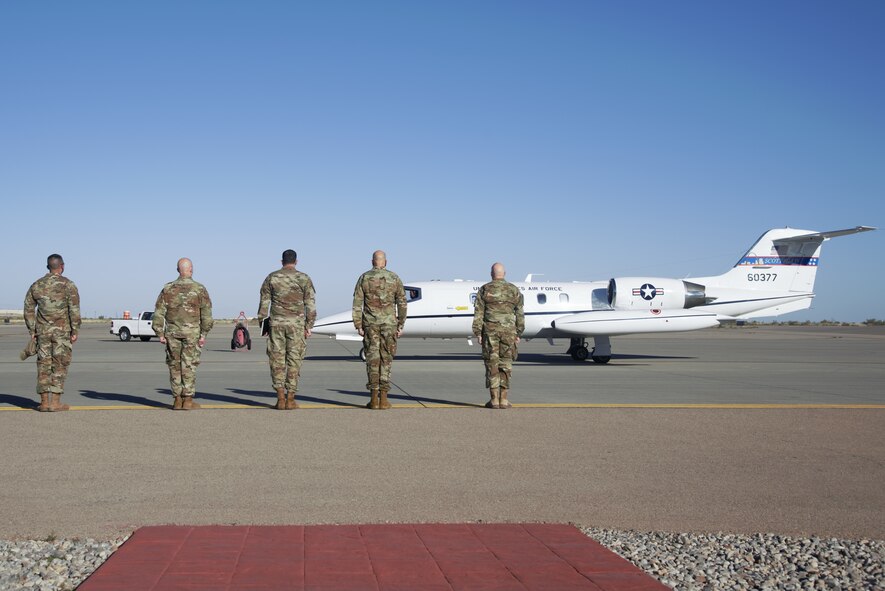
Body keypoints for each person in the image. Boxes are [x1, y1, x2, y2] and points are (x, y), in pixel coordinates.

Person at [257, 249, 316, 410]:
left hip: (276, 324)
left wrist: (264, 326)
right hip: (296, 325)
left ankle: (280, 398)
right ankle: (291, 398)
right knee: (294, 360)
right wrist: (309, 326)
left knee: (277, 360)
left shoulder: (272, 277)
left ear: (281, 261)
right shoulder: (304, 278)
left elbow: (264, 304)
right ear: (296, 261)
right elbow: (310, 305)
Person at [152, 258, 214, 410]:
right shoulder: (199, 289)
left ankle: (177, 399)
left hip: (172, 333)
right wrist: (204, 334)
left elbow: (159, 312)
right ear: (191, 269)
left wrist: (159, 332)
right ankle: (188, 400)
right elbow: (207, 314)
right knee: (189, 365)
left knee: (174, 365)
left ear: (177, 270)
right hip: (192, 333)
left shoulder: (168, 289)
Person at [23, 254, 81, 412]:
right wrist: (75, 330)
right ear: (62, 266)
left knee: (43, 364)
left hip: (42, 333)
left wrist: (32, 330)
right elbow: (74, 310)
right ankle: (55, 402)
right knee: (60, 364)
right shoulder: (68, 285)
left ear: (48, 266)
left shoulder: (37, 285)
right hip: (62, 333)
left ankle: (44, 403)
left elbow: (28, 308)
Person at [352, 250, 407, 409]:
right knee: (386, 359)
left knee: (372, 360)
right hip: (389, 325)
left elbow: (357, 303)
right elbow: (402, 303)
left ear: (372, 261)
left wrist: (358, 324)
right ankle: (384, 399)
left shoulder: (364, 277)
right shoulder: (394, 278)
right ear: (386, 262)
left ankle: (373, 399)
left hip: (370, 325)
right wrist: (401, 324)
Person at [472, 262, 524, 409]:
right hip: (509, 332)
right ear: (505, 274)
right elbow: (519, 313)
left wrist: (478, 332)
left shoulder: (484, 289)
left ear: (491, 274)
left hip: (490, 332)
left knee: (492, 364)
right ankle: (504, 400)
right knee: (506, 364)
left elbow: (479, 313)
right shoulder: (514, 290)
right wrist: (518, 332)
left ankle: (494, 400)